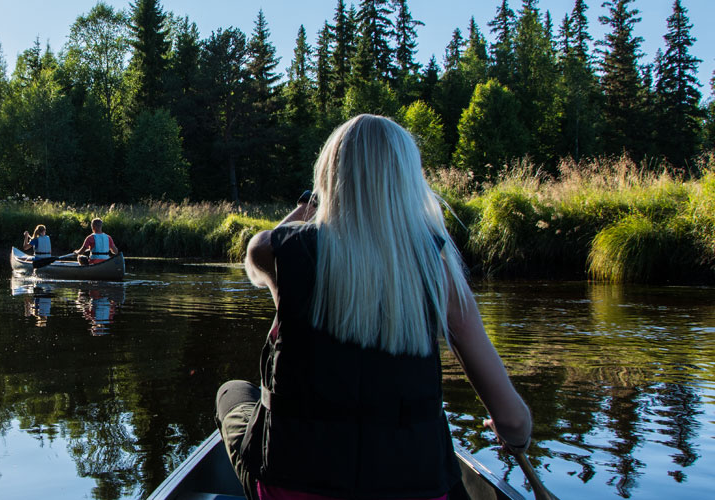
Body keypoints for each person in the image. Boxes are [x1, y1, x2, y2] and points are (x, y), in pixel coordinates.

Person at [217, 114, 532, 500]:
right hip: (414, 487)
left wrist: (309, 206)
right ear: (407, 183)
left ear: (329, 180)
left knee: (232, 393)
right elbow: (513, 420)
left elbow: (257, 256)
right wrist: (514, 434)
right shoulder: (438, 270)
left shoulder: (280, 252)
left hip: (294, 486)